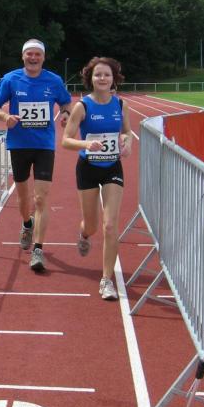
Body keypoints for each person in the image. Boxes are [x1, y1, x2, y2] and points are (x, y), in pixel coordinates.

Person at [0, 39, 72, 272]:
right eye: (29, 54)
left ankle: (38, 249)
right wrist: (5, 117)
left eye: (37, 54)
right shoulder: (11, 79)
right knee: (23, 198)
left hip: (44, 145)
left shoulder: (54, 81)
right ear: (23, 56)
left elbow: (66, 103)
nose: (33, 58)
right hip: (19, 144)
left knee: (41, 198)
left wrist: (66, 114)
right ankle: (27, 223)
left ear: (43, 57)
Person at [62, 57, 132, 300]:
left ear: (114, 79)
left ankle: (106, 280)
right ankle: (83, 234)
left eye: (107, 75)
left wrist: (127, 143)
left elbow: (126, 131)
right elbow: (66, 140)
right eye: (98, 75)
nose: (102, 78)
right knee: (92, 226)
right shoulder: (82, 106)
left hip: (113, 167)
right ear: (90, 78)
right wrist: (86, 144)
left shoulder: (120, 104)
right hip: (88, 168)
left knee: (110, 225)